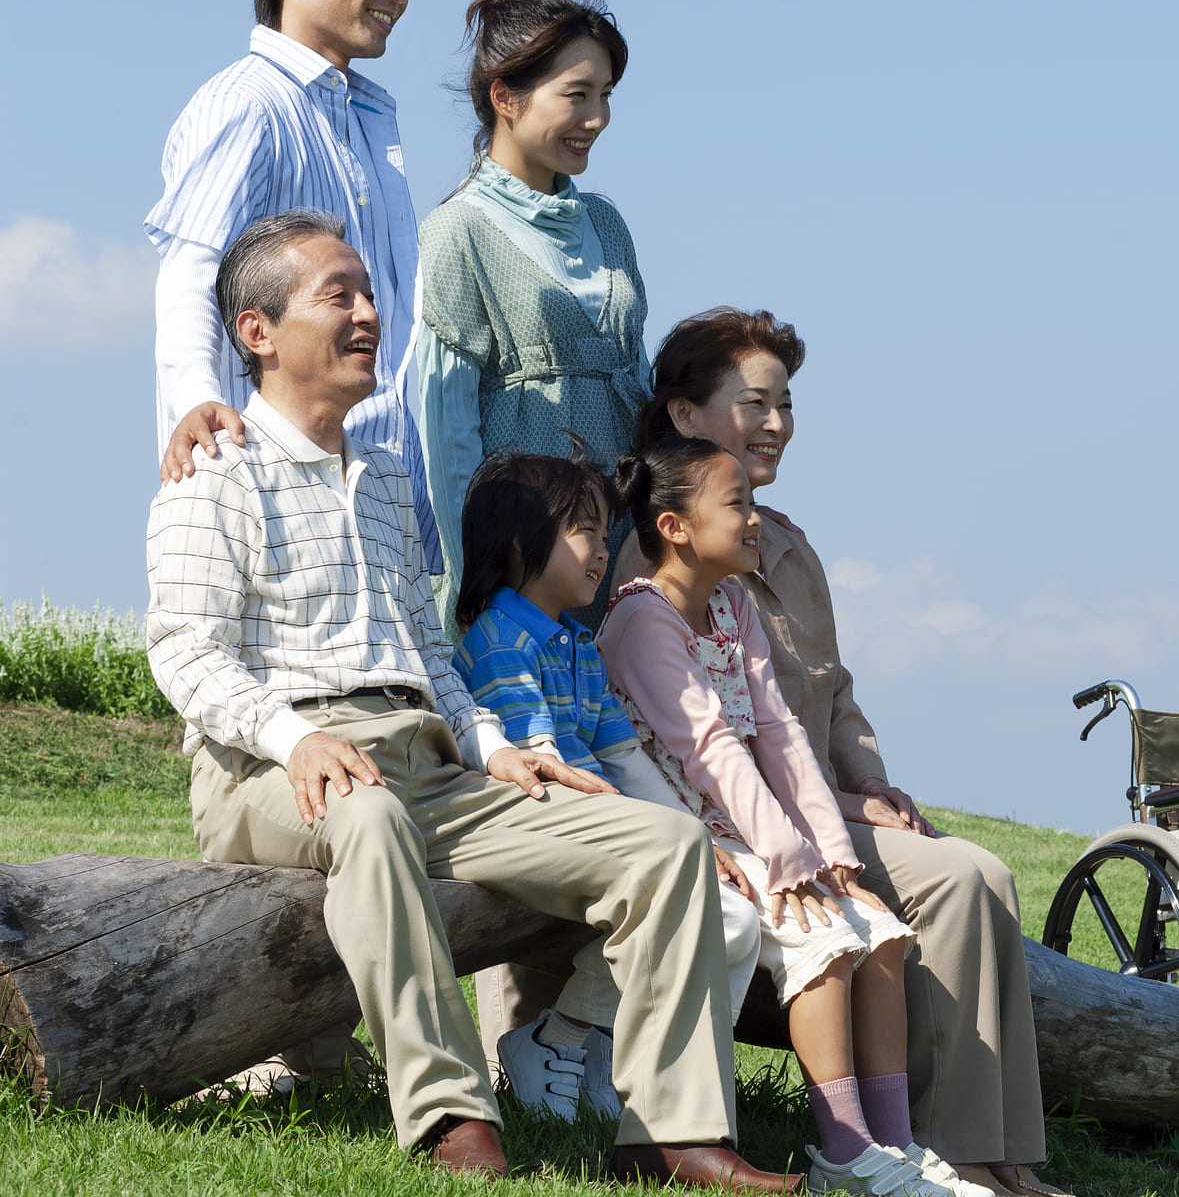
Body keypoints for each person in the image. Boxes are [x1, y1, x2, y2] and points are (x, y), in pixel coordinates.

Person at [145, 209, 793, 1191]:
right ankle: (449, 1109)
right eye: (338, 296)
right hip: (269, 770)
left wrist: (491, 746)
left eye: (370, 294)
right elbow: (184, 650)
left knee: (662, 844)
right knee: (366, 815)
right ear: (258, 331)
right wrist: (294, 738)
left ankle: (671, 1131)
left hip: (428, 763)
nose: (369, 314)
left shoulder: (384, 477)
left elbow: (426, 649)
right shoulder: (212, 475)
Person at [619, 310, 1065, 1197]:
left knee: (980, 872)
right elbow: (700, 741)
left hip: (817, 812)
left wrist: (870, 783)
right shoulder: (652, 560)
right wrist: (817, 838)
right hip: (744, 826)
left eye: (786, 404)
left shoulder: (788, 547)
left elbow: (831, 697)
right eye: (755, 402)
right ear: (684, 415)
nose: (777, 423)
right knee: (960, 880)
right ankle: (938, 1148)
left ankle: (993, 1148)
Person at [599, 436, 986, 1197]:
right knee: (824, 943)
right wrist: (789, 862)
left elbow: (780, 734)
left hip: (755, 831)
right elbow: (708, 750)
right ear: (675, 528)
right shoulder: (643, 620)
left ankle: (894, 1148)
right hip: (692, 835)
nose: (754, 520)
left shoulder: (733, 606)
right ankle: (845, 1153)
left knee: (881, 936)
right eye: (735, 504)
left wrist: (832, 856)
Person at [449, 444, 763, 1115]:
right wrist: (658, 840)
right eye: (585, 531)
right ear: (520, 543)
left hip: (604, 826)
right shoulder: (501, 642)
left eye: (604, 532)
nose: (601, 550)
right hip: (544, 825)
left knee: (732, 918)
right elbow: (539, 767)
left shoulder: (576, 646)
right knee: (720, 919)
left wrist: (692, 838)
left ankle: (618, 1065)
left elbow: (625, 758)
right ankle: (572, 1044)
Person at [148, 0, 441, 585]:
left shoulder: (364, 120)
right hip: (272, 490)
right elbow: (192, 272)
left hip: (375, 483)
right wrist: (196, 406)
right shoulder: (247, 105)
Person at [414, 0, 651, 632]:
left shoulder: (607, 224)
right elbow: (445, 438)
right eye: (577, 94)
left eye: (606, 95)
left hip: (622, 553)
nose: (597, 118)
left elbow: (641, 385)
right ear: (505, 98)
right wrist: (470, 598)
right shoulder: (457, 232)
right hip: (522, 572)